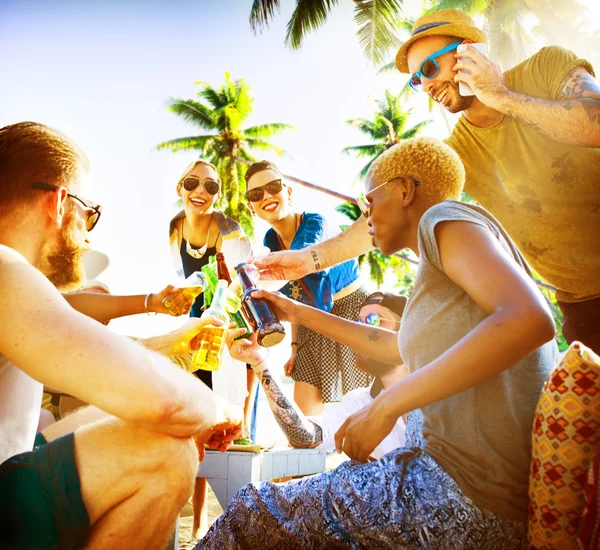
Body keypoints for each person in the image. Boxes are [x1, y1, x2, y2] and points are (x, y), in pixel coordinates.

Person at [199, 136, 559, 548]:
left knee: (254, 510)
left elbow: (529, 319)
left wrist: (387, 406)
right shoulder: (446, 290)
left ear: (405, 190)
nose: (364, 216)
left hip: (458, 498)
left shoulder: (443, 218)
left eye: (369, 202)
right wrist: (293, 310)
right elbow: (388, 344)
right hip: (448, 488)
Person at [255, 9, 600, 352]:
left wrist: (502, 97)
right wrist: (306, 260)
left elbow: (594, 123)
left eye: (430, 68)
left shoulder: (545, 67)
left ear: (468, 51)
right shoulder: (457, 154)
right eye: (417, 79)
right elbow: (387, 215)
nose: (428, 85)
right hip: (584, 304)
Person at [0, 121, 243, 550]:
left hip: (12, 465)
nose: (90, 231)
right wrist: (216, 408)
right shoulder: (5, 268)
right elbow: (166, 401)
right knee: (166, 455)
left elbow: (94, 352)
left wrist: (177, 337)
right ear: (60, 203)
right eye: (89, 211)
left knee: (147, 421)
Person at [245, 160, 370, 416]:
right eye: (256, 194)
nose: (266, 196)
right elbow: (294, 295)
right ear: (252, 206)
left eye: (273, 186)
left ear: (288, 191)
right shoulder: (270, 241)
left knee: (363, 407)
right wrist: (293, 348)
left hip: (351, 310)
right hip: (309, 319)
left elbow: (305, 267)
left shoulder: (314, 224)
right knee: (306, 418)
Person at [228, 291, 409, 458]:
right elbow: (306, 436)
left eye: (374, 320)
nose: (363, 332)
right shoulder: (359, 403)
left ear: (408, 329)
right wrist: (260, 362)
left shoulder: (435, 388)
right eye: (359, 323)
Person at [169, 159, 257, 433]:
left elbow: (240, 285)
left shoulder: (228, 230)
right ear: (179, 188)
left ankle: (241, 431)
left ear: (217, 195)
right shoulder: (175, 227)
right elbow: (184, 276)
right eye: (192, 182)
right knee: (198, 405)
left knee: (231, 402)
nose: (200, 191)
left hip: (233, 317)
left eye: (210, 186)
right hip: (199, 317)